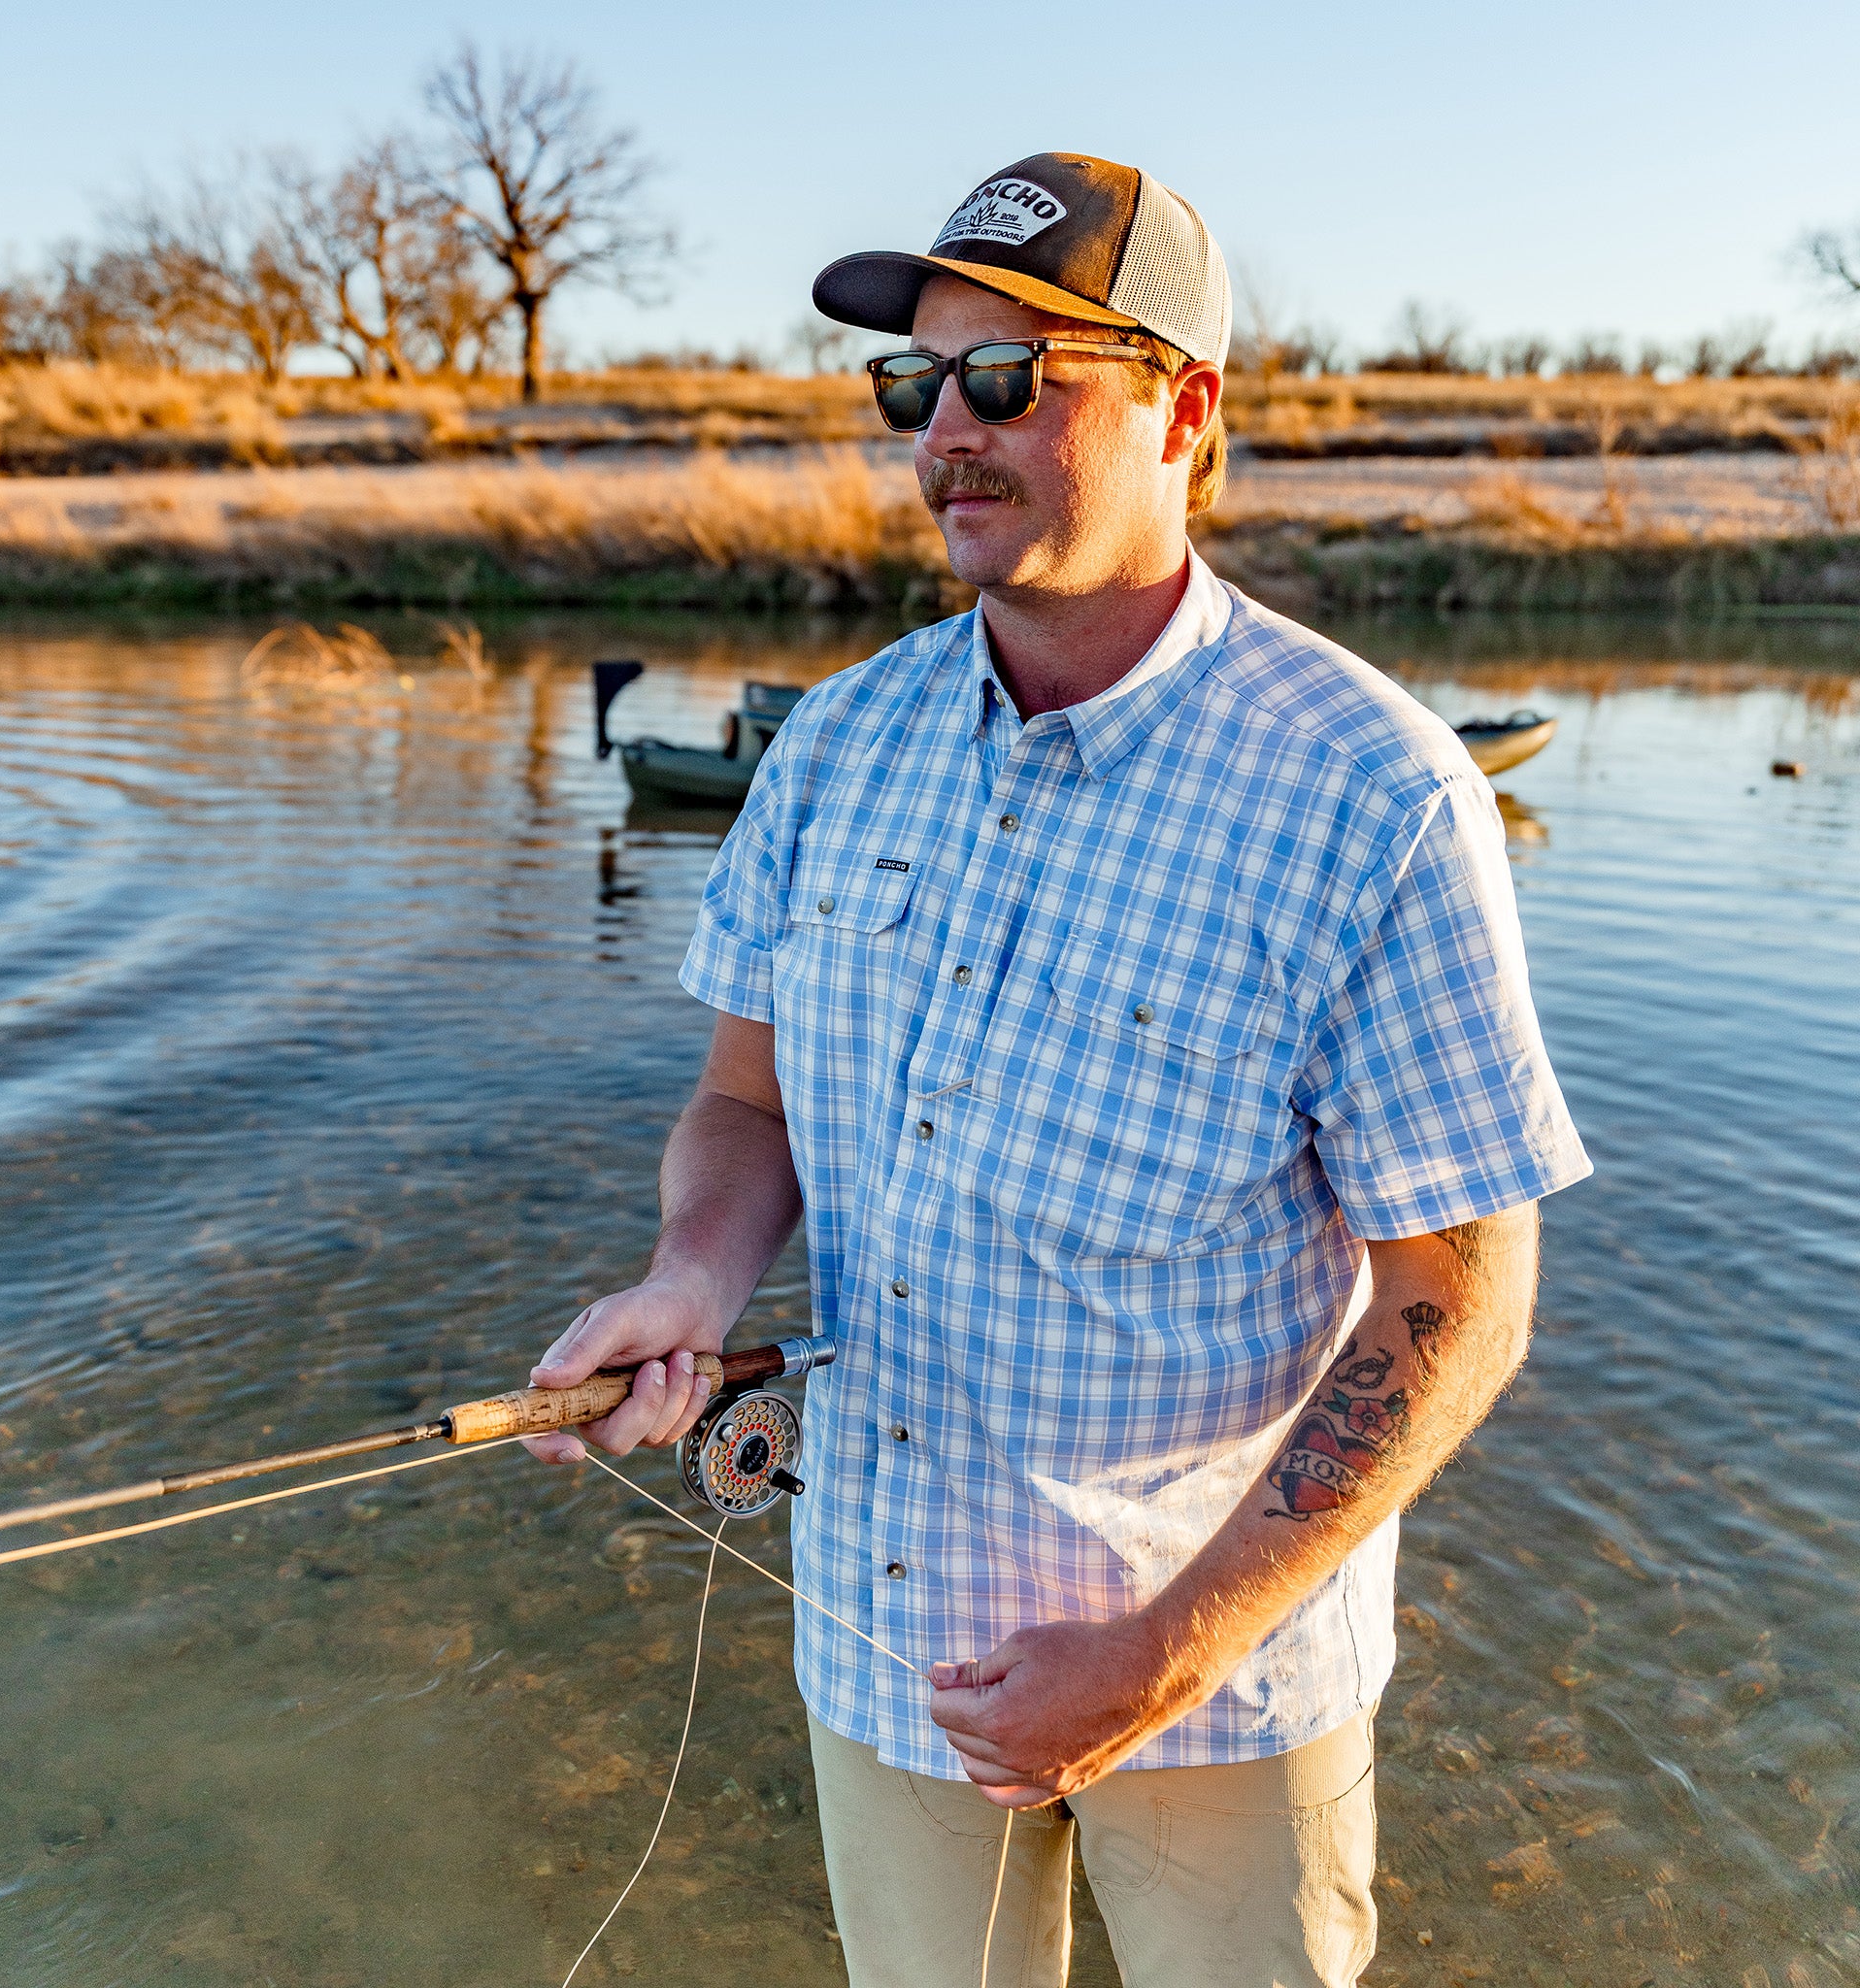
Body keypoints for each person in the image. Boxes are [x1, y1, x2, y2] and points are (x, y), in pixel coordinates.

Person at [525, 151, 1591, 1987]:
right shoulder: (839, 745)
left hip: (1224, 1694)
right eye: (911, 385)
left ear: (1185, 408)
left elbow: (1458, 1302)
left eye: (1010, 376)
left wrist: (1166, 1648)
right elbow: (745, 1104)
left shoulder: (1380, 796)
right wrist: (692, 1277)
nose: (948, 429)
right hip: (877, 1631)